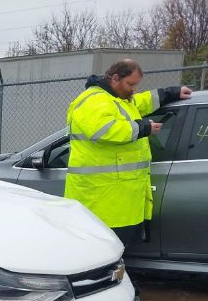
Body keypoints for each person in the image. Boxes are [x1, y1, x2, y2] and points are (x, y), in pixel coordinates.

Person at [65, 59, 192, 249]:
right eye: (130, 84)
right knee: (99, 254)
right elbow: (105, 129)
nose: (133, 90)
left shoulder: (116, 100)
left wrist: (171, 93)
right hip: (98, 199)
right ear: (115, 78)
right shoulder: (92, 100)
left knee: (114, 253)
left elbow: (140, 102)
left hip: (116, 200)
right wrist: (144, 128)